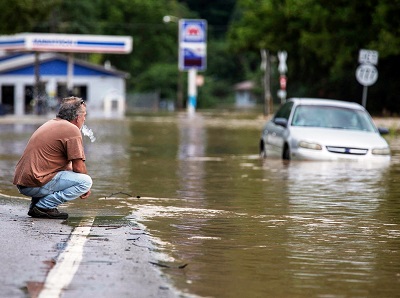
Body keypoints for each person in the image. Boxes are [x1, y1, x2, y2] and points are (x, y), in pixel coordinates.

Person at [13, 96, 92, 219]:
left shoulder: (52, 123)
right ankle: (44, 206)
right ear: (77, 117)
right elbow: (79, 167)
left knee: (64, 171)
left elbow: (68, 166)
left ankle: (36, 206)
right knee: (85, 182)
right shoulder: (72, 130)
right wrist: (86, 188)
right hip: (34, 183)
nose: (84, 119)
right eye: (84, 116)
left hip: (25, 182)